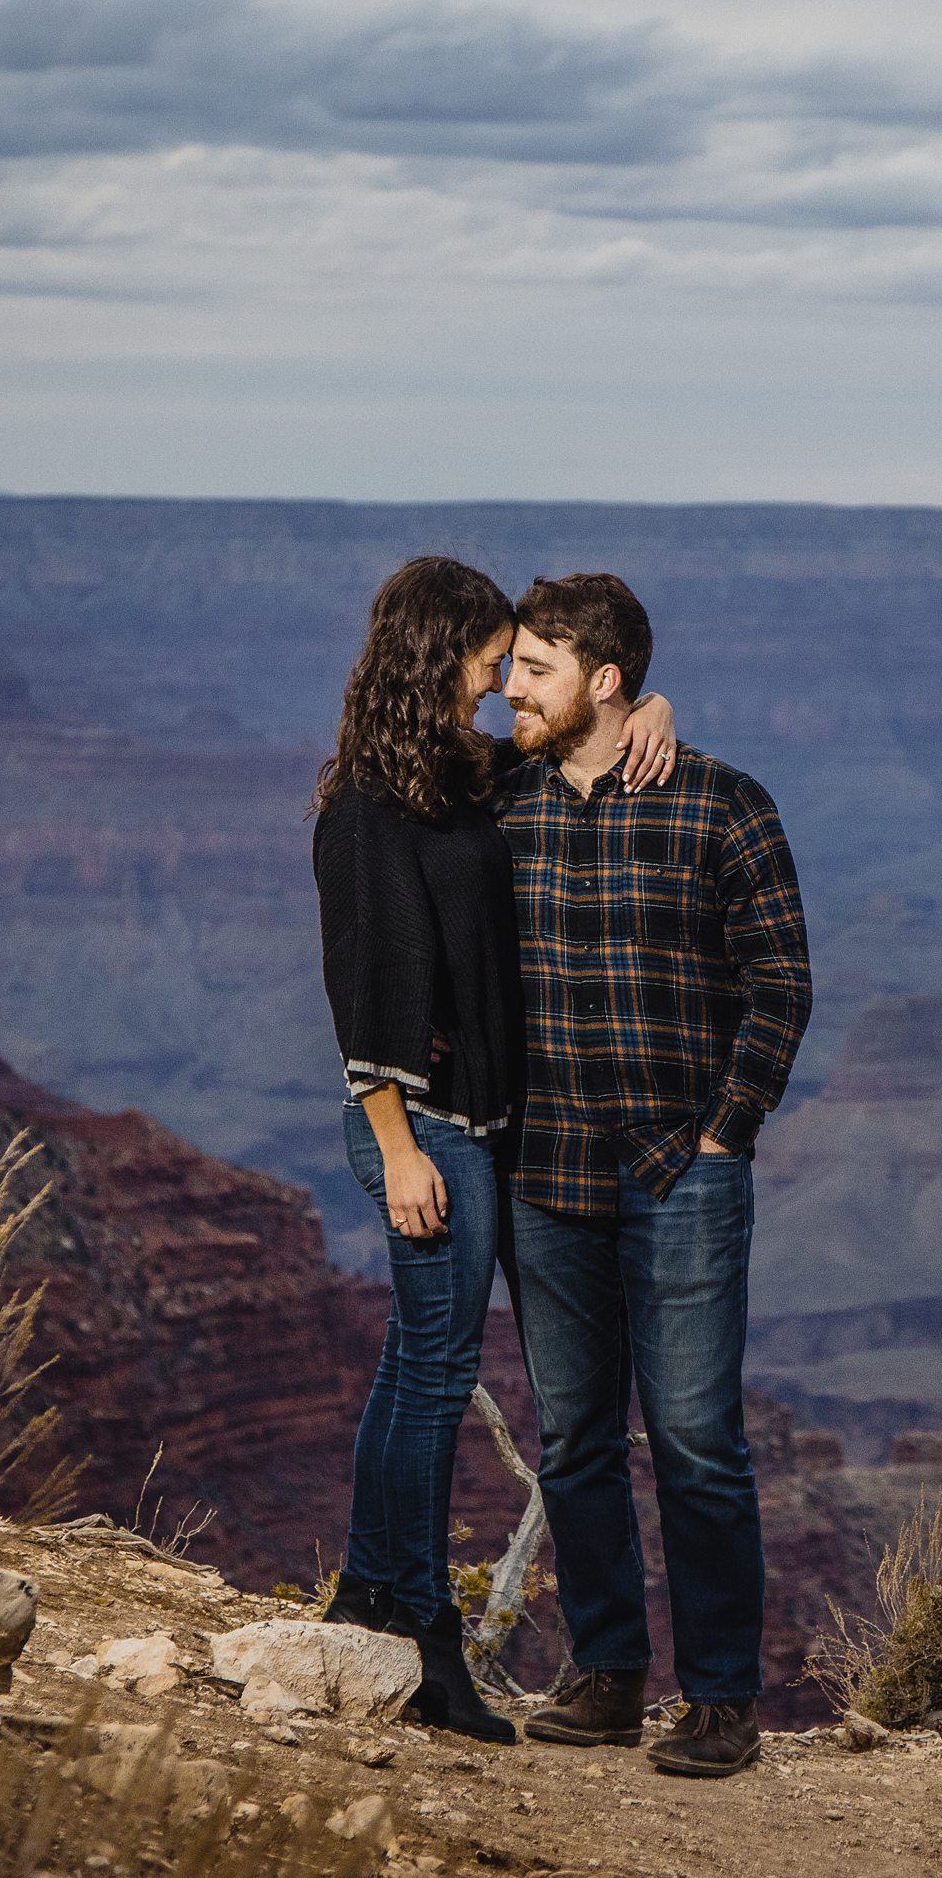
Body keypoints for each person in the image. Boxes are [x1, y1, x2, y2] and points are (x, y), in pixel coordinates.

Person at [308, 556, 676, 1744]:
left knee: (410, 1364)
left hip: (475, 1127)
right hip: (425, 1133)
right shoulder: (364, 810)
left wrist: (652, 708)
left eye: (517, 656)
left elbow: (582, 729)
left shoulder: (459, 776)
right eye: (490, 651)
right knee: (433, 1372)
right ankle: (424, 1640)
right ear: (439, 649)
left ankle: (368, 1590)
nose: (504, 671)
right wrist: (399, 1147)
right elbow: (360, 998)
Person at [493, 573, 812, 1779]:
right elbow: (388, 770)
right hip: (546, 1170)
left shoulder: (723, 803)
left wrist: (729, 1128)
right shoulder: (503, 799)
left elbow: (782, 982)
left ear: (606, 680)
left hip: (684, 1170)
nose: (512, 689)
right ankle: (609, 1672)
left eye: (534, 668)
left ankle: (723, 1696)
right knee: (574, 1434)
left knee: (693, 1437)